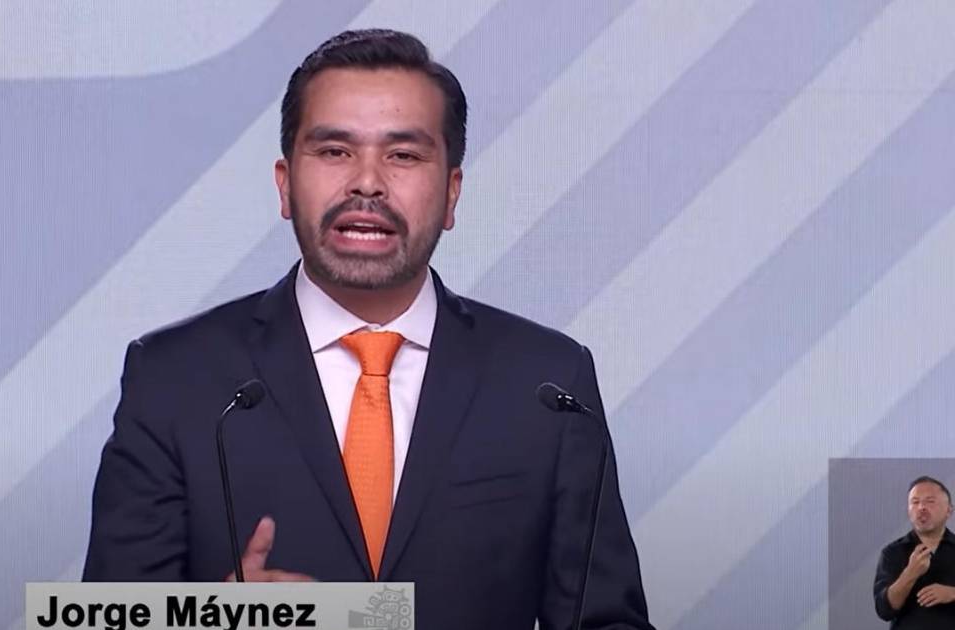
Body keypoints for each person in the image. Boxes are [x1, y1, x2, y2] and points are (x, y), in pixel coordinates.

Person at [83, 28, 654, 629]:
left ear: (452, 193)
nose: (367, 182)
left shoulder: (547, 384)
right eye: (334, 151)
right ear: (285, 184)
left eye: (403, 155)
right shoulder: (175, 378)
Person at [874, 476, 955, 628]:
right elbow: (884, 610)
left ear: (949, 510)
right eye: (915, 502)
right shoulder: (892, 552)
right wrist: (911, 573)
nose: (921, 507)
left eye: (930, 501)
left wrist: (952, 593)